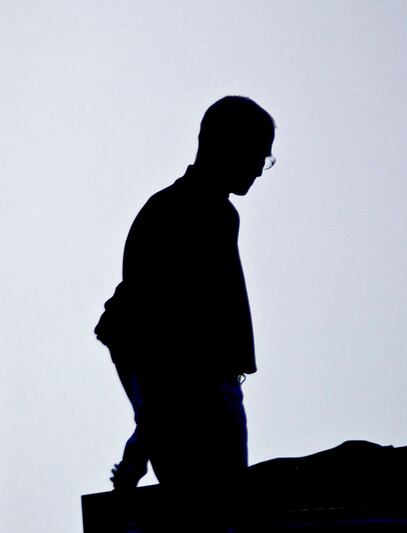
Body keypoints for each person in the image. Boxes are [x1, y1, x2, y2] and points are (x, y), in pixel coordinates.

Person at [94, 96, 276, 491]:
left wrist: (145, 432)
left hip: (208, 396)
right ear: (229, 144)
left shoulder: (203, 212)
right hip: (199, 403)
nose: (261, 170)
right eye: (260, 155)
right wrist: (150, 426)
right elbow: (130, 326)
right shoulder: (185, 213)